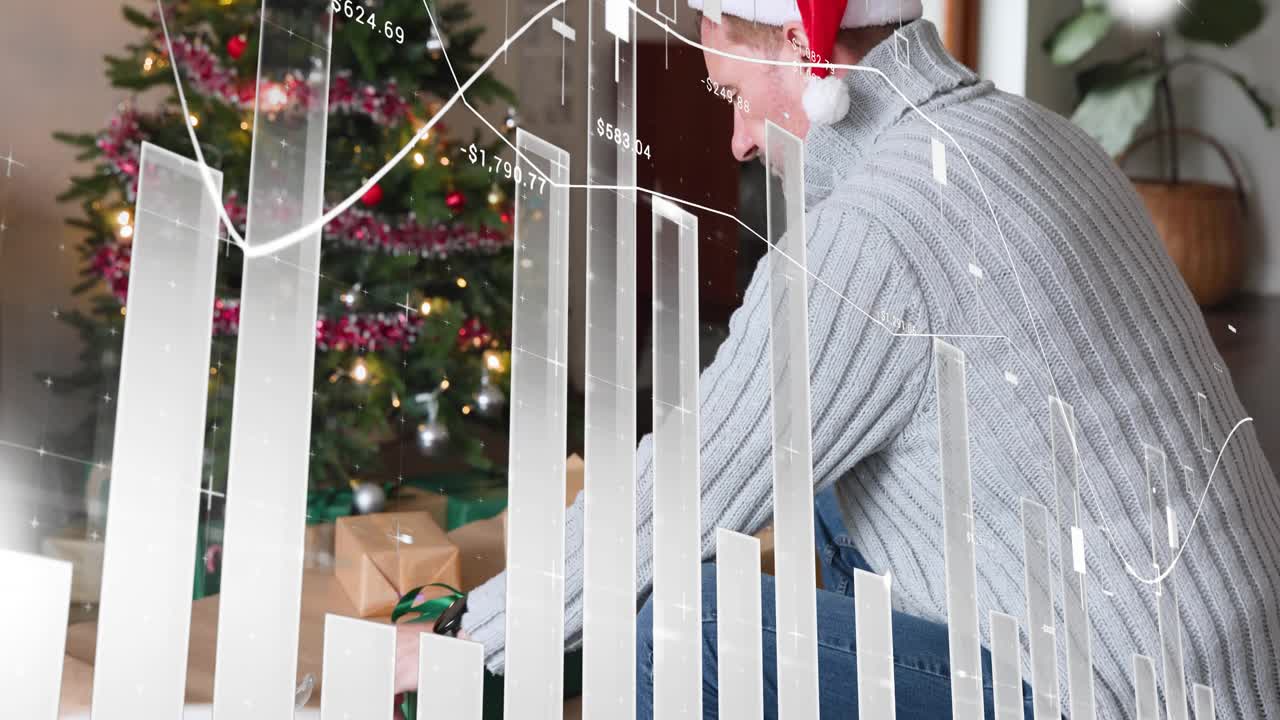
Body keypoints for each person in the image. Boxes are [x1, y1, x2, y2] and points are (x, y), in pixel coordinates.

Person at [399, 1, 1280, 718]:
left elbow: (688, 487)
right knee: (820, 492)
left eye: (737, 94)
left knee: (687, 631)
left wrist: (466, 636)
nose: (740, 139)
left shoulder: (878, 234)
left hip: (1116, 695)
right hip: (1219, 659)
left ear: (800, 43)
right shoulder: (1031, 133)